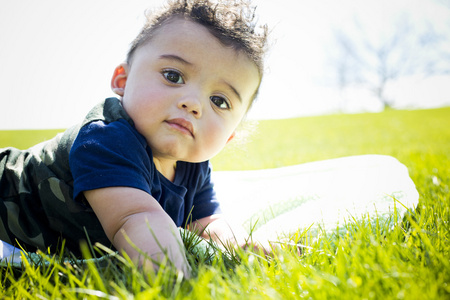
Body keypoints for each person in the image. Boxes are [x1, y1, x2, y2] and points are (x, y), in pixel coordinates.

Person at [0, 0, 268, 276]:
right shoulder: (106, 137)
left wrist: (241, 247)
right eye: (173, 76)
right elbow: (137, 219)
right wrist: (178, 283)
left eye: (219, 101)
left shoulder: (194, 166)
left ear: (229, 137)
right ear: (123, 80)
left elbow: (206, 224)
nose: (193, 103)